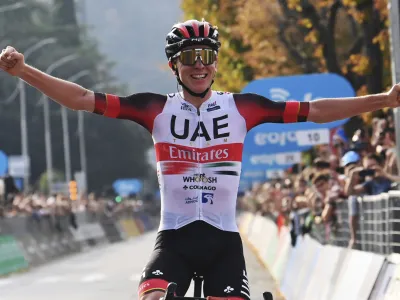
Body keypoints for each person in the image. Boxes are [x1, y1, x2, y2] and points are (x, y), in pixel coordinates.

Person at [1, 19, 400, 300]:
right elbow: (82, 99)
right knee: (152, 298)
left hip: (223, 241)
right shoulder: (153, 108)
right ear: (174, 64)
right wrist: (25, 72)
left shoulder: (244, 108)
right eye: (189, 57)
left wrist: (381, 100)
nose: (199, 66)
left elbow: (315, 111)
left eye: (207, 56)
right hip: (173, 239)